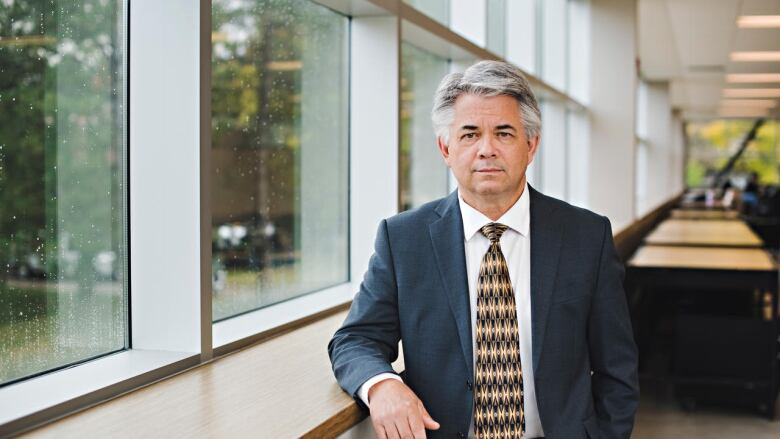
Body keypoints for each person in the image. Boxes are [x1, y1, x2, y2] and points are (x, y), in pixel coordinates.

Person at [328, 60, 639, 439]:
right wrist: (382, 385)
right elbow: (355, 339)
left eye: (504, 133)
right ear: (446, 147)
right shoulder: (404, 239)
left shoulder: (587, 236)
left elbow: (617, 367)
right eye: (470, 134)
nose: (486, 149)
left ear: (531, 144)